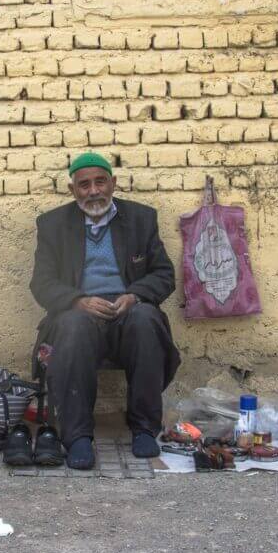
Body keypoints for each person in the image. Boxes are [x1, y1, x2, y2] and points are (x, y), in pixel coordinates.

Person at [29, 151, 181, 469]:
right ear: (73, 190)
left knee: (145, 320)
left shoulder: (141, 219)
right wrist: (76, 300)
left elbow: (164, 274)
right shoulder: (53, 224)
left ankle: (143, 429)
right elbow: (41, 283)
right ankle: (78, 436)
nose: (94, 191)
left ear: (113, 183)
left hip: (127, 311)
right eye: (84, 185)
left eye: (101, 182)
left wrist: (135, 295)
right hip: (81, 313)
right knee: (73, 326)